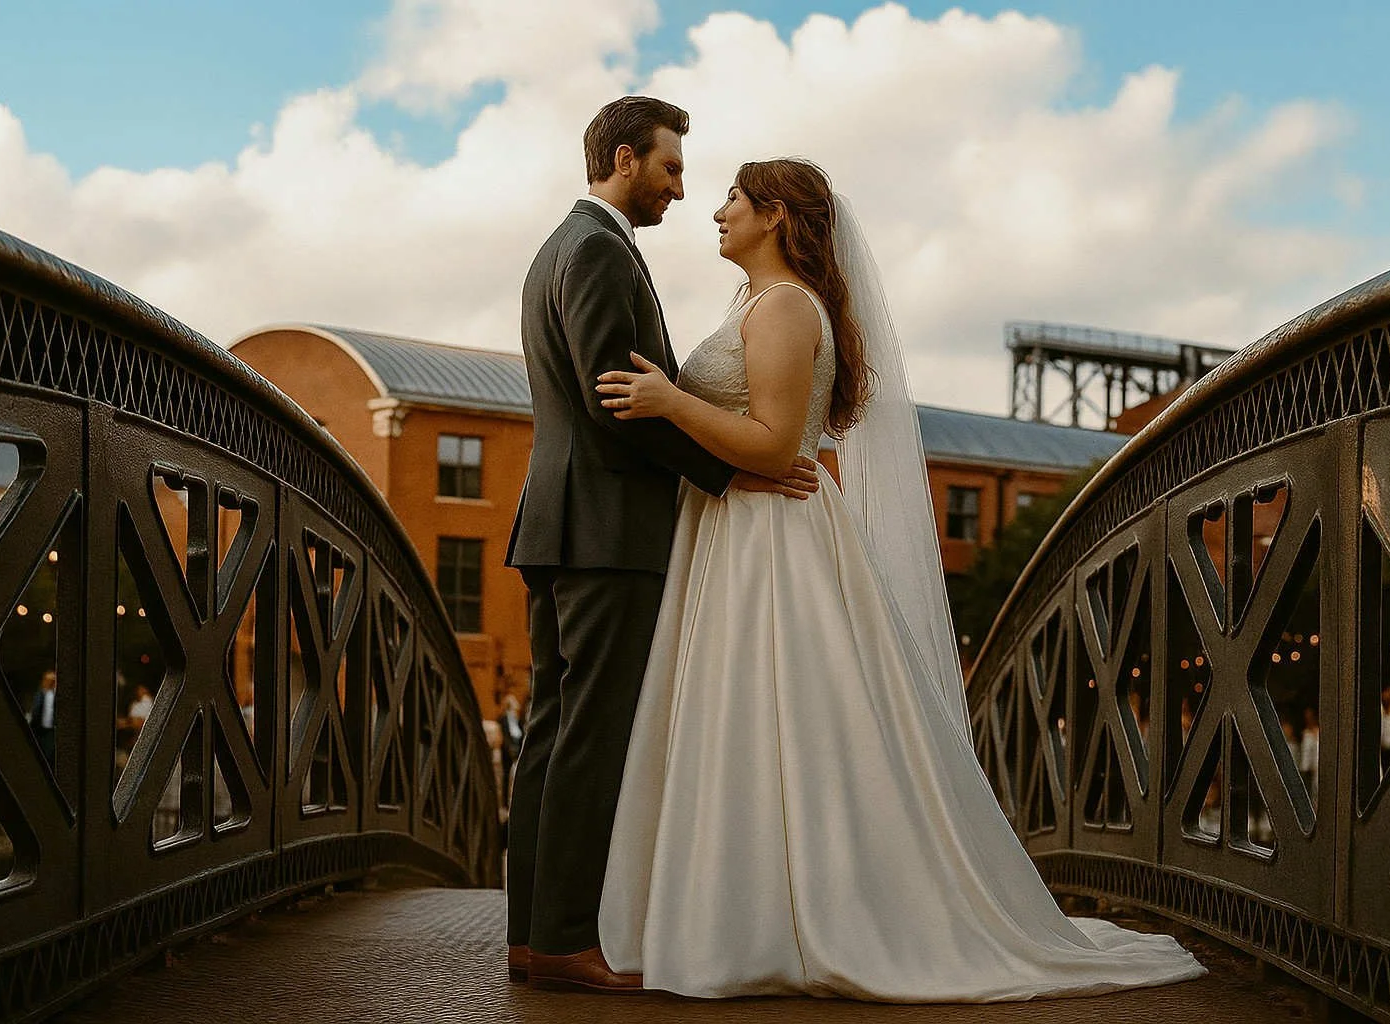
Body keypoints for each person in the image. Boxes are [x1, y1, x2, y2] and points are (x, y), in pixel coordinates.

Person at [593, 157, 1204, 1001]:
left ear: (775, 215)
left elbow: (775, 445)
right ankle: (749, 909)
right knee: (764, 720)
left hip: (770, 539)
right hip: (745, 529)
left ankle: (772, 920)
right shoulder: (761, 304)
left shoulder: (784, 309)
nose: (716, 211)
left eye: (734, 197)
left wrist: (668, 403)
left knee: (773, 715)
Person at [501, 96, 820, 993]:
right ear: (622, 158)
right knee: (591, 735)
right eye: (672, 168)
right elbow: (620, 401)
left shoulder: (561, 247)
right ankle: (564, 938)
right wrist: (733, 474)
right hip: (608, 531)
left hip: (560, 525)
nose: (682, 190)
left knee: (554, 733)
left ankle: (532, 935)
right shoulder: (600, 251)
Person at [27, 669, 57, 767]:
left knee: (50, 753)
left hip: (52, 730)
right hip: (40, 730)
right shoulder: (40, 694)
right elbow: (35, 710)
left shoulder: (55, 695)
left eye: (52, 681)